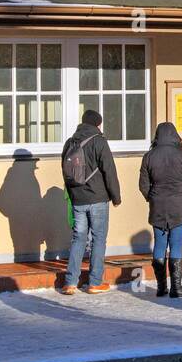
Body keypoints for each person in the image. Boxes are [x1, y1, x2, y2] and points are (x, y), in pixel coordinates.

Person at [60, 109, 121, 295]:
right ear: (97, 124)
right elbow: (109, 170)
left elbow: (65, 171)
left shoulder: (70, 142)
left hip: (78, 199)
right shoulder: (99, 141)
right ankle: (95, 282)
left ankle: (70, 282)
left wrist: (72, 194)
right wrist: (116, 197)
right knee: (98, 239)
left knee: (78, 238)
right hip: (97, 198)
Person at [138, 121, 182, 298]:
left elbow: (143, 184)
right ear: (175, 135)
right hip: (180, 205)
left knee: (159, 245)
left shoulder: (149, 156)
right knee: (176, 245)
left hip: (158, 206)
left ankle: (161, 287)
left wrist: (152, 197)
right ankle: (176, 287)